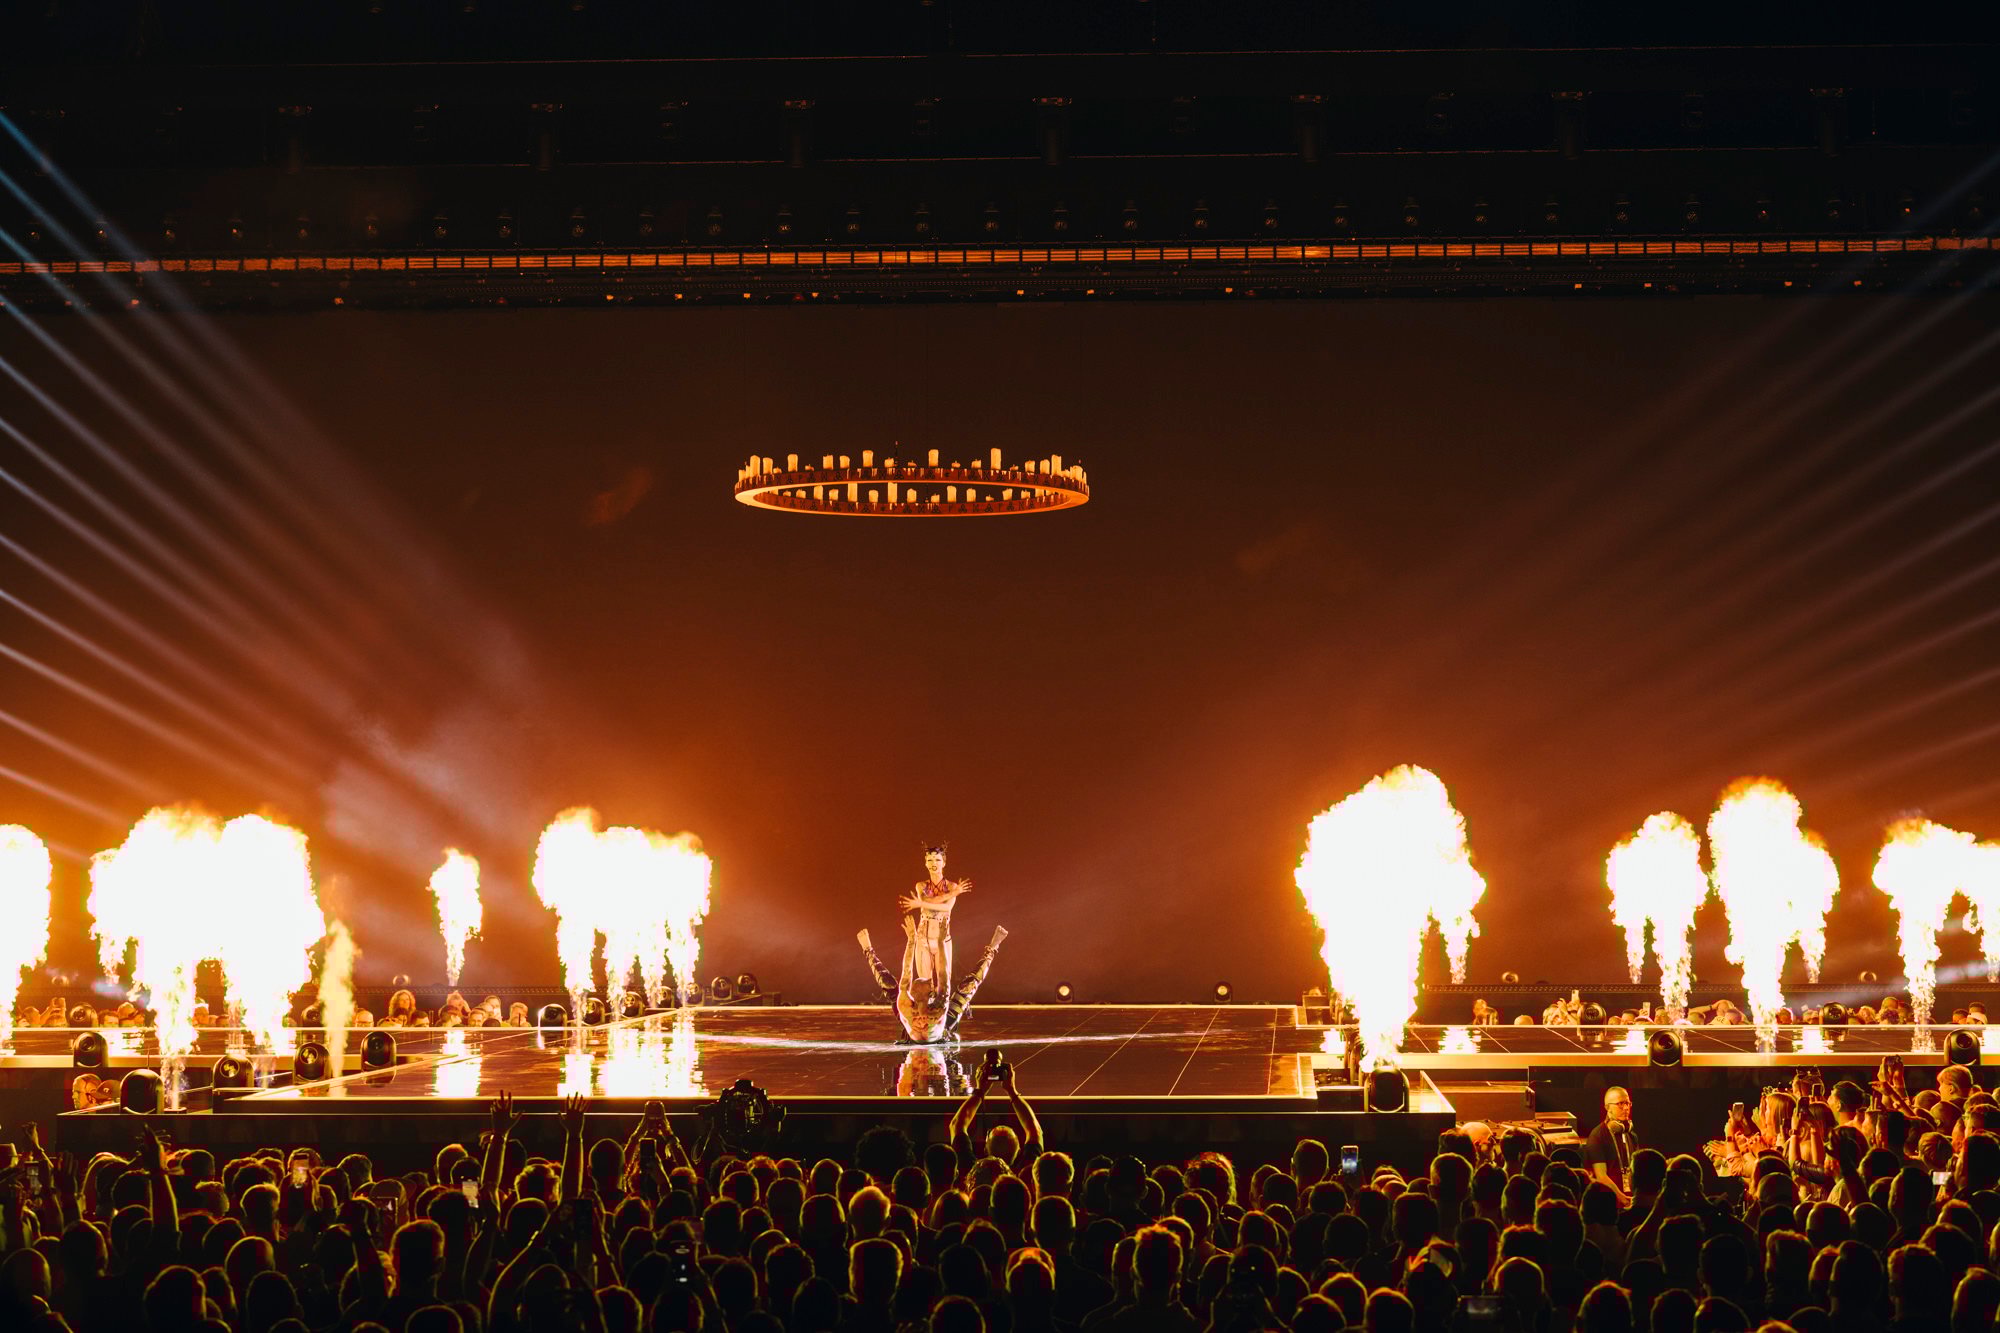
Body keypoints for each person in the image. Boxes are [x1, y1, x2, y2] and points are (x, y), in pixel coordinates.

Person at [1585, 1086, 1636, 1206]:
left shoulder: (1631, 1135)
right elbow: (1601, 1176)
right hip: (1609, 1203)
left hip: (1630, 1199)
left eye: (1628, 1103)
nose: (1626, 1108)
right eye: (1620, 1104)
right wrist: (1623, 1199)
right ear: (1608, 1108)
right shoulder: (1597, 1136)